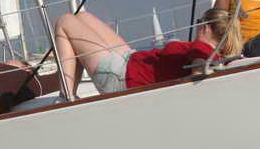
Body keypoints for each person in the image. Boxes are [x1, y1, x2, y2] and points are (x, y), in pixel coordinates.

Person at [53, 8, 243, 98]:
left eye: (199, 21)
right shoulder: (213, 53)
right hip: (130, 61)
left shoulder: (201, 48)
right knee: (83, 16)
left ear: (206, 27)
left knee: (65, 21)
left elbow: (199, 69)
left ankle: (66, 98)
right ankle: (70, 92)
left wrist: (197, 74)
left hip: (120, 76)